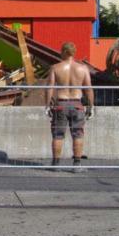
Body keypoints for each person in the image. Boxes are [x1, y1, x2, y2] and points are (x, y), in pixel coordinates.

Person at [45, 41, 94, 172]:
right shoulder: (83, 68)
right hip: (77, 104)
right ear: (73, 52)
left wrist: (47, 105)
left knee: (58, 135)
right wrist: (91, 105)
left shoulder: (56, 68)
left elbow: (49, 88)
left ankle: (55, 165)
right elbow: (88, 88)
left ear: (63, 52)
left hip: (61, 104)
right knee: (78, 134)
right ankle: (76, 165)